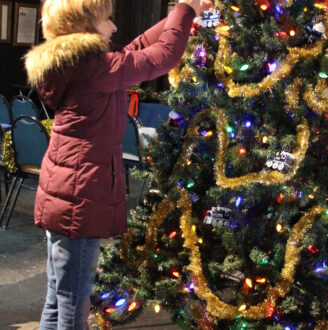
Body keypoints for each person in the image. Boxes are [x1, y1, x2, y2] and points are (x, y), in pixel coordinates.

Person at [24, 0, 211, 328]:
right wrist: (185, 10)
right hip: (78, 201)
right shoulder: (95, 69)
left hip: (65, 194)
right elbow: (161, 57)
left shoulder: (82, 66)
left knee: (59, 295)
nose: (113, 26)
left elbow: (137, 48)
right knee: (73, 304)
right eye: (106, 19)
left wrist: (179, 16)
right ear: (84, 27)